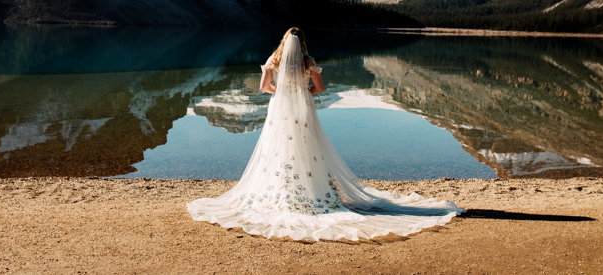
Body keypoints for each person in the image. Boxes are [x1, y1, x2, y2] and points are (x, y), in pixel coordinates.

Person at [188, 27, 463, 241]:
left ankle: (279, 191)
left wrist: (283, 92)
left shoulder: (274, 59)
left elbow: (264, 87)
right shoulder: (308, 61)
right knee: (308, 147)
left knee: (276, 146)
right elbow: (318, 89)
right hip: (303, 108)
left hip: (280, 107)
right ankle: (316, 193)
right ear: (303, 42)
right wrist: (301, 92)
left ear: (284, 40)